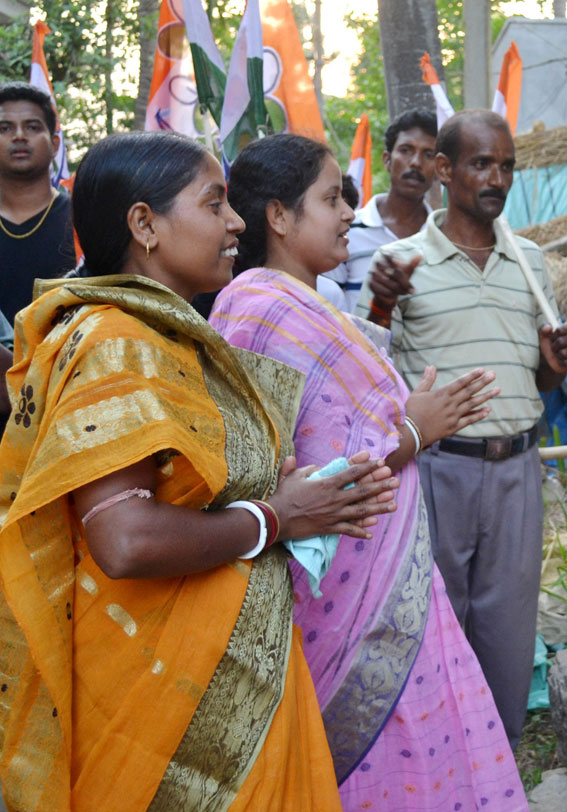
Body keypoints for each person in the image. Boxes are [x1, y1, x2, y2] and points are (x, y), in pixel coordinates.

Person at [0, 131, 400, 811]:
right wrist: (278, 516)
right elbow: (123, 539)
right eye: (214, 203)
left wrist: (283, 496)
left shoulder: (167, 336)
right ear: (144, 224)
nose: (237, 221)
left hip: (227, 669)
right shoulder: (114, 343)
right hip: (162, 704)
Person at [210, 132, 529, 811]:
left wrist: (413, 418)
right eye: (331, 199)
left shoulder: (312, 303)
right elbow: (306, 477)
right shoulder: (259, 308)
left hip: (391, 576)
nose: (349, 212)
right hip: (341, 600)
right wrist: (417, 427)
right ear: (278, 216)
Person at [357, 109, 567, 746]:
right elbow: (366, 373)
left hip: (517, 468)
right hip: (433, 470)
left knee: (509, 630)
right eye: (481, 163)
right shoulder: (397, 267)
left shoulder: (531, 261)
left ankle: (499, 765)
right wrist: (379, 304)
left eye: (506, 165)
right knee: (431, 621)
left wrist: (556, 366)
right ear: (443, 169)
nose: (497, 178)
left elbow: (539, 382)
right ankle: (435, 763)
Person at [323, 109, 437, 313]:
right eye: (406, 150)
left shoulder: (443, 237)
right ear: (387, 159)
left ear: (440, 168)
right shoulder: (345, 230)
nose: (416, 162)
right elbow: (332, 314)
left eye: (428, 155)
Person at [0, 82, 77, 325]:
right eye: (5, 128)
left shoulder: (84, 221)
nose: (19, 136)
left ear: (55, 145)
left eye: (32, 127)